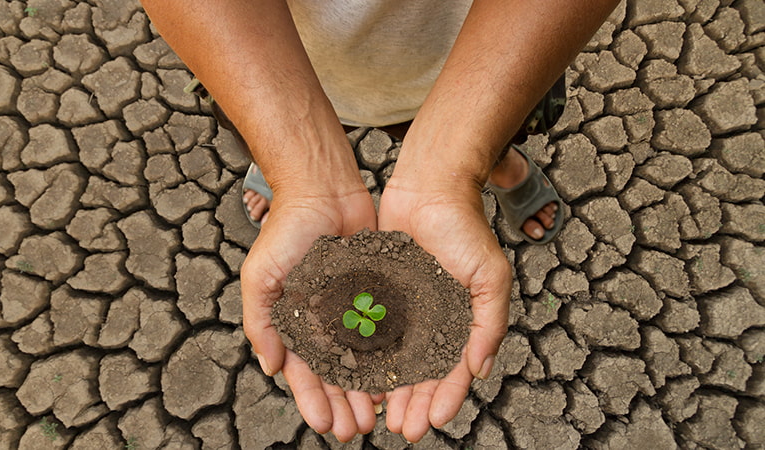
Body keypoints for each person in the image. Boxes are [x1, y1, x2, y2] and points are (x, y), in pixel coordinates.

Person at [140, 0, 621, 443]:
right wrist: (301, 170)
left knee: (491, 138)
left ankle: (490, 164)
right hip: (269, 63)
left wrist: (451, 170)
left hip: (491, 62)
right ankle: (287, 167)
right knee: (269, 138)